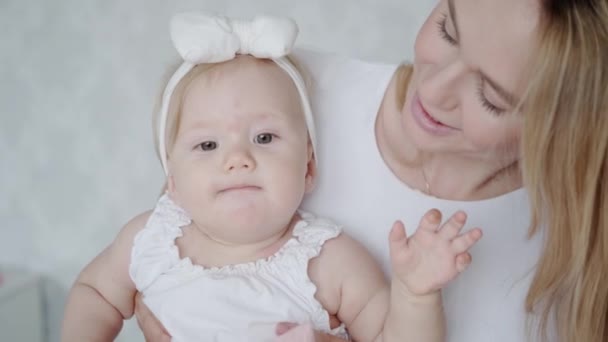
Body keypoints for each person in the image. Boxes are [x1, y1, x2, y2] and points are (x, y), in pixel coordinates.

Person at [129, 0, 608, 341]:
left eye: (490, 96)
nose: (435, 89)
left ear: (566, 122)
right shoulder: (281, 94)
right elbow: (163, 264)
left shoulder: (584, 247)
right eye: (449, 30)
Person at [61, 12, 484, 342]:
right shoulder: (149, 240)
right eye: (207, 146)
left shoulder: (329, 261)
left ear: (308, 167)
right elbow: (95, 293)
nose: (238, 159)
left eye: (264, 137)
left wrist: (415, 293)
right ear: (171, 179)